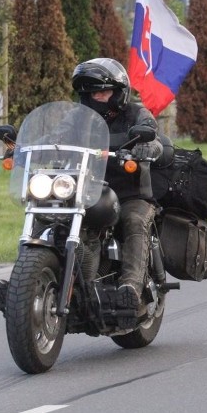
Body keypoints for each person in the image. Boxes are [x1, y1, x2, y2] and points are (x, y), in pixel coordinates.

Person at [71, 58, 163, 315]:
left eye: (103, 91)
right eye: (92, 93)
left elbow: (153, 139)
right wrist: (22, 149)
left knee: (134, 221)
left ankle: (130, 290)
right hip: (86, 192)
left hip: (130, 193)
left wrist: (146, 147)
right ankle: (26, 282)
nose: (97, 97)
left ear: (119, 92)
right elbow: (57, 137)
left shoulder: (137, 114)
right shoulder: (78, 119)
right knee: (51, 215)